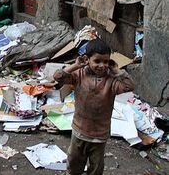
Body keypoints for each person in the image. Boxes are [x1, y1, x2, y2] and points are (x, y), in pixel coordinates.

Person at [53, 38, 134, 175]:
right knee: (74, 165)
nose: (102, 65)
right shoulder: (79, 75)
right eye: (97, 61)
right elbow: (58, 77)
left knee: (96, 168)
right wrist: (76, 65)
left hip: (99, 135)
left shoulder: (111, 81)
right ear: (87, 59)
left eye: (106, 62)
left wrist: (116, 70)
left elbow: (129, 86)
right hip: (79, 131)